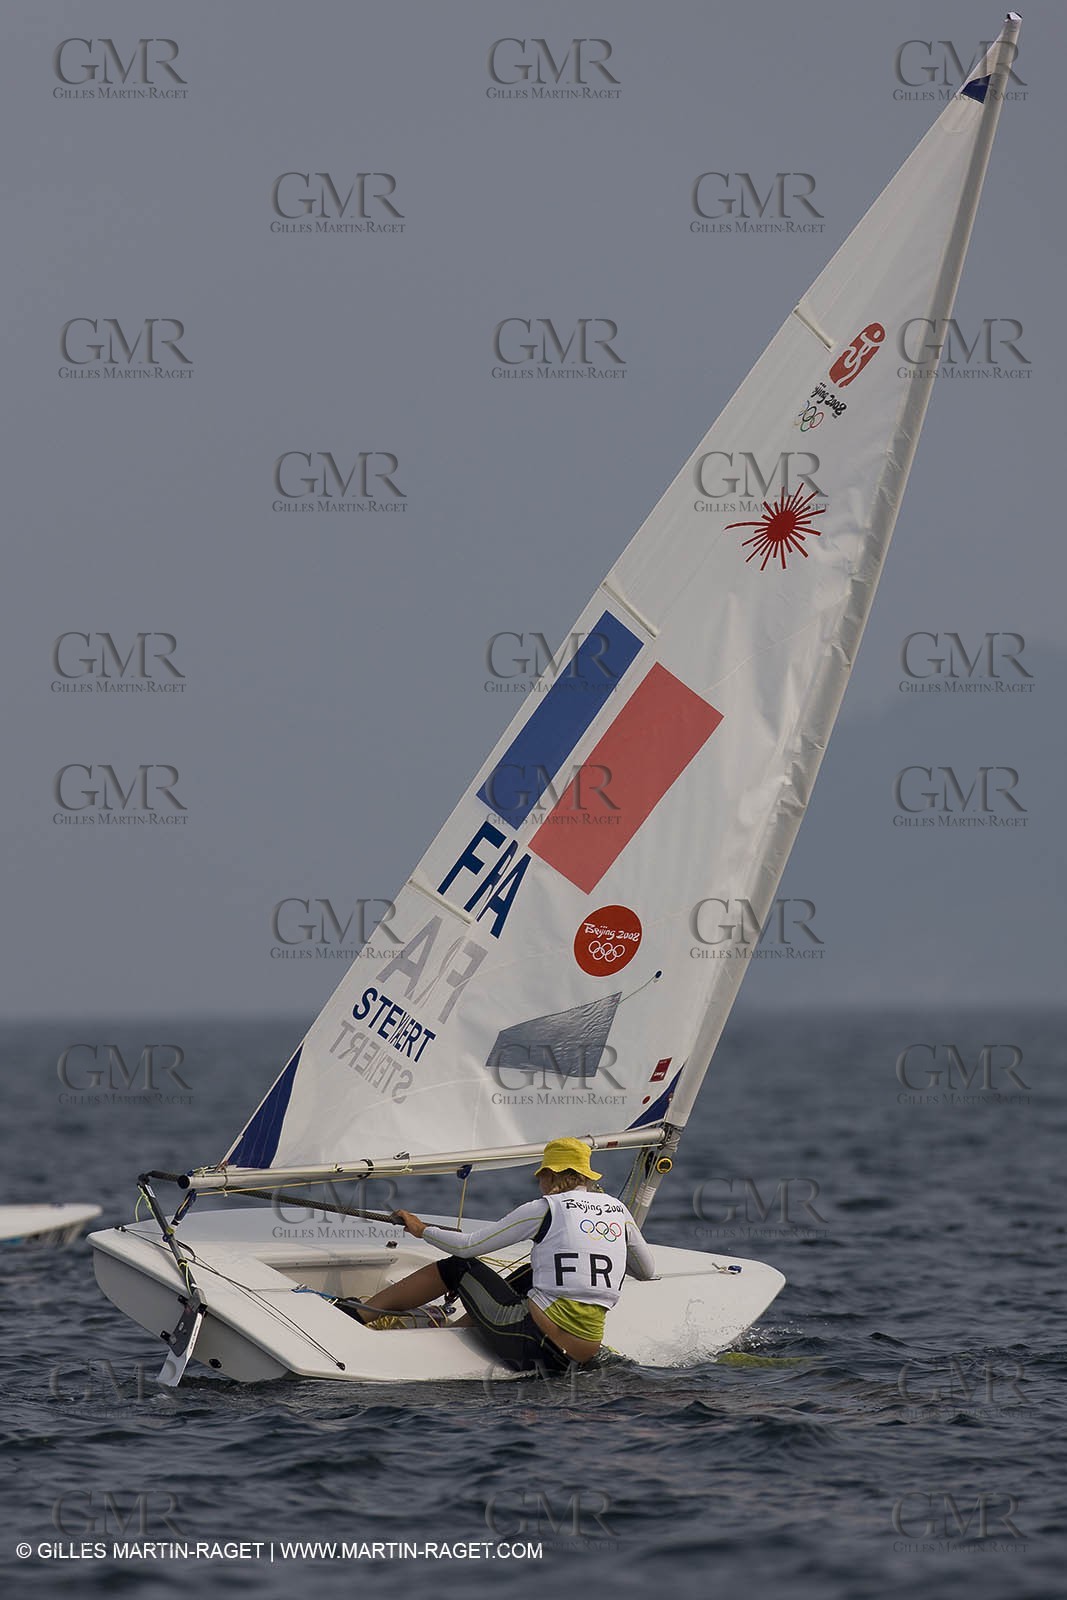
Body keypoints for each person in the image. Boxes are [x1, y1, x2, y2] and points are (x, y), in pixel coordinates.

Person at [348, 1137, 657, 1371]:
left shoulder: (545, 1208)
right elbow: (645, 1270)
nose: (539, 1182)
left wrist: (420, 1229)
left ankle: (358, 1314)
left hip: (532, 1347)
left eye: (541, 1176)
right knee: (531, 1274)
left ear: (551, 1174)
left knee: (457, 1268)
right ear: (586, 1176)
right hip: (580, 1356)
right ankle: (453, 1331)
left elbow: (467, 1247)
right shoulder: (618, 1210)